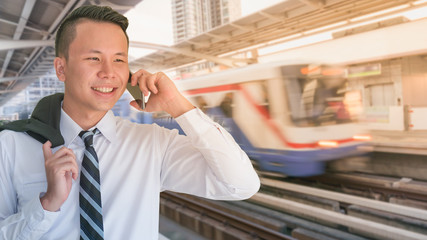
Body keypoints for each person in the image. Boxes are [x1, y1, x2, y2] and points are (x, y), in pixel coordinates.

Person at [0, 5, 260, 240]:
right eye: (93, 58)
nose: (109, 72)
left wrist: (178, 106)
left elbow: (240, 185)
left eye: (119, 60)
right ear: (61, 69)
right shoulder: (11, 146)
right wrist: (47, 204)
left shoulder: (153, 144)